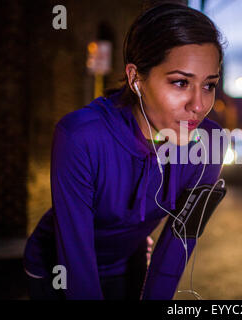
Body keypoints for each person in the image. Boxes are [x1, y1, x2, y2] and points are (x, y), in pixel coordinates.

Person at [23, 3, 228, 300]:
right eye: (181, 82)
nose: (198, 105)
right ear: (135, 79)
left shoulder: (210, 143)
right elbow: (76, 260)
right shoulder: (80, 136)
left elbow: (178, 243)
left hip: (128, 263)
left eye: (209, 85)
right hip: (58, 269)